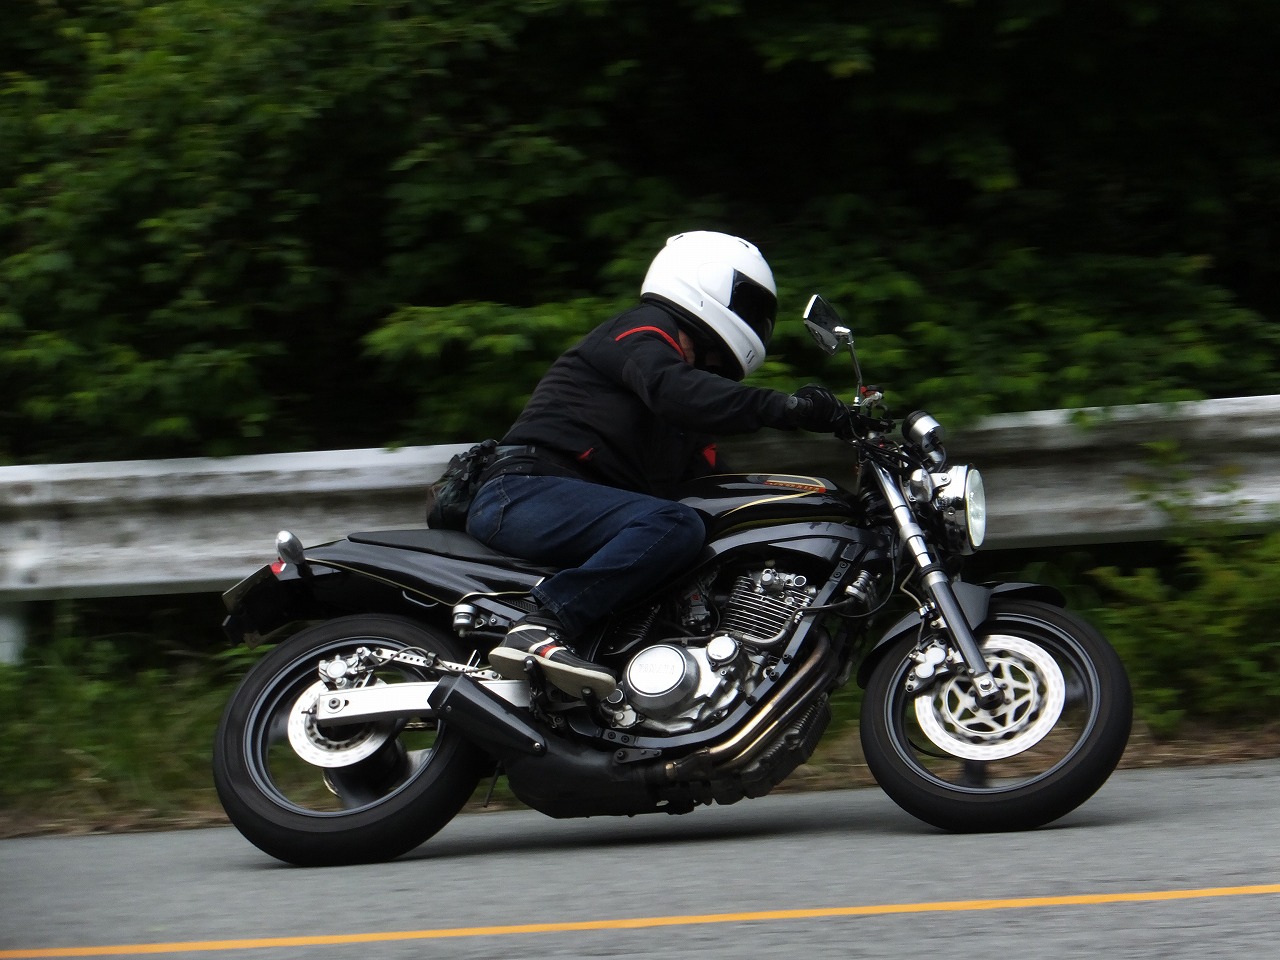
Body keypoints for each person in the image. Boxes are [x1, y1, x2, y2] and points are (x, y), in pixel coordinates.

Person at [465, 231, 848, 699]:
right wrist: (787, 408)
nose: (757, 321)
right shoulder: (643, 332)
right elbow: (676, 389)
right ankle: (541, 624)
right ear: (706, 279)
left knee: (704, 538)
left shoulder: (683, 410)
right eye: (750, 304)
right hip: (523, 490)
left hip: (571, 504)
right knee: (675, 524)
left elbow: (709, 485)